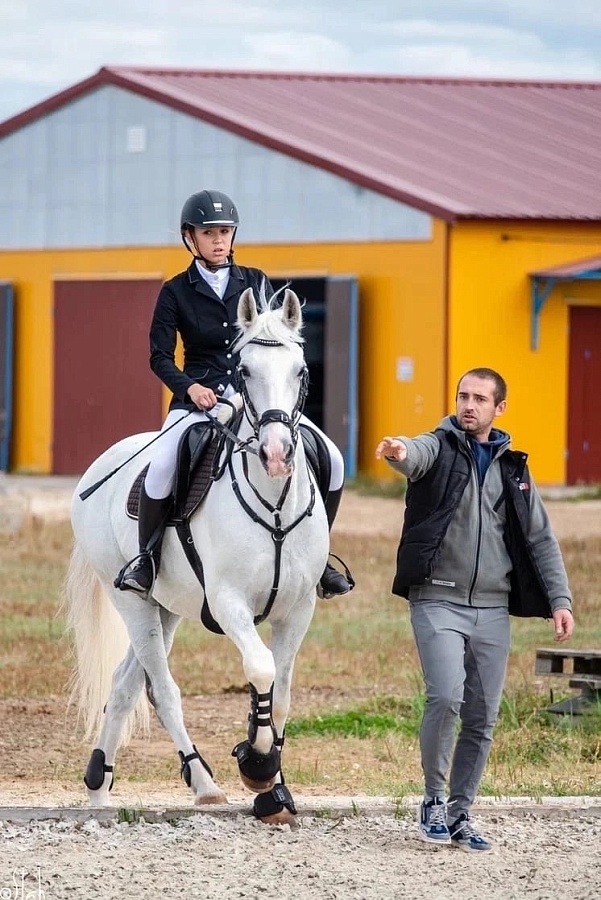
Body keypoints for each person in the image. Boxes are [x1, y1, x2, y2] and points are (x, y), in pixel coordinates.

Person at [115, 189, 353, 601]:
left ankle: (320, 559)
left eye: (225, 231)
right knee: (163, 466)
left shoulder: (255, 281)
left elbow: (273, 337)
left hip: (260, 399)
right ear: (190, 238)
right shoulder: (175, 292)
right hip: (198, 400)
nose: (219, 240)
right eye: (209, 233)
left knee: (330, 456)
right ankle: (146, 558)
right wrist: (190, 387)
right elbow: (158, 356)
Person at [375, 367, 574, 852]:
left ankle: (462, 811)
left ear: (498, 408)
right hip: (437, 597)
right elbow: (414, 454)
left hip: (492, 606)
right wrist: (399, 451)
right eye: (463, 396)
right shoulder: (438, 447)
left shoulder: (514, 469)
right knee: (445, 697)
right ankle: (433, 799)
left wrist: (560, 600)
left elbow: (540, 538)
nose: (469, 405)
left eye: (480, 399)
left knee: (483, 715)